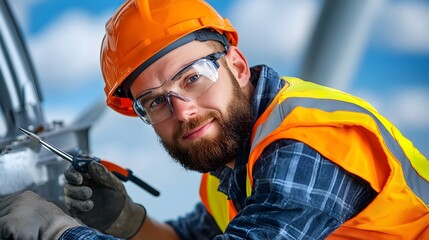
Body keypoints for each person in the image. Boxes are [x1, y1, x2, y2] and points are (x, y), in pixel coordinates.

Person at [1, 0, 428, 239]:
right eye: (154, 102)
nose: (183, 111)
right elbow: (192, 239)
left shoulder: (311, 143)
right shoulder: (231, 162)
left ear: (238, 66)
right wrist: (127, 221)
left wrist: (55, 232)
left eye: (193, 77)